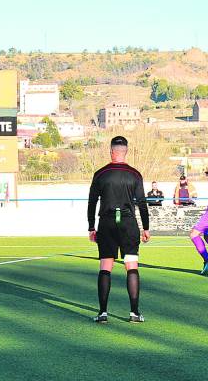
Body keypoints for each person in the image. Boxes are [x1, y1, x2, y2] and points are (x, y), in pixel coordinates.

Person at [87, 136, 150, 324]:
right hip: (128, 223)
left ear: (111, 151)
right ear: (126, 151)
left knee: (106, 266)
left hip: (106, 223)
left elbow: (92, 202)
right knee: (131, 264)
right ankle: (134, 313)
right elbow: (142, 204)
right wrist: (145, 227)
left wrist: (91, 226)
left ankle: (103, 313)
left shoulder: (100, 173)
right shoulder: (135, 174)